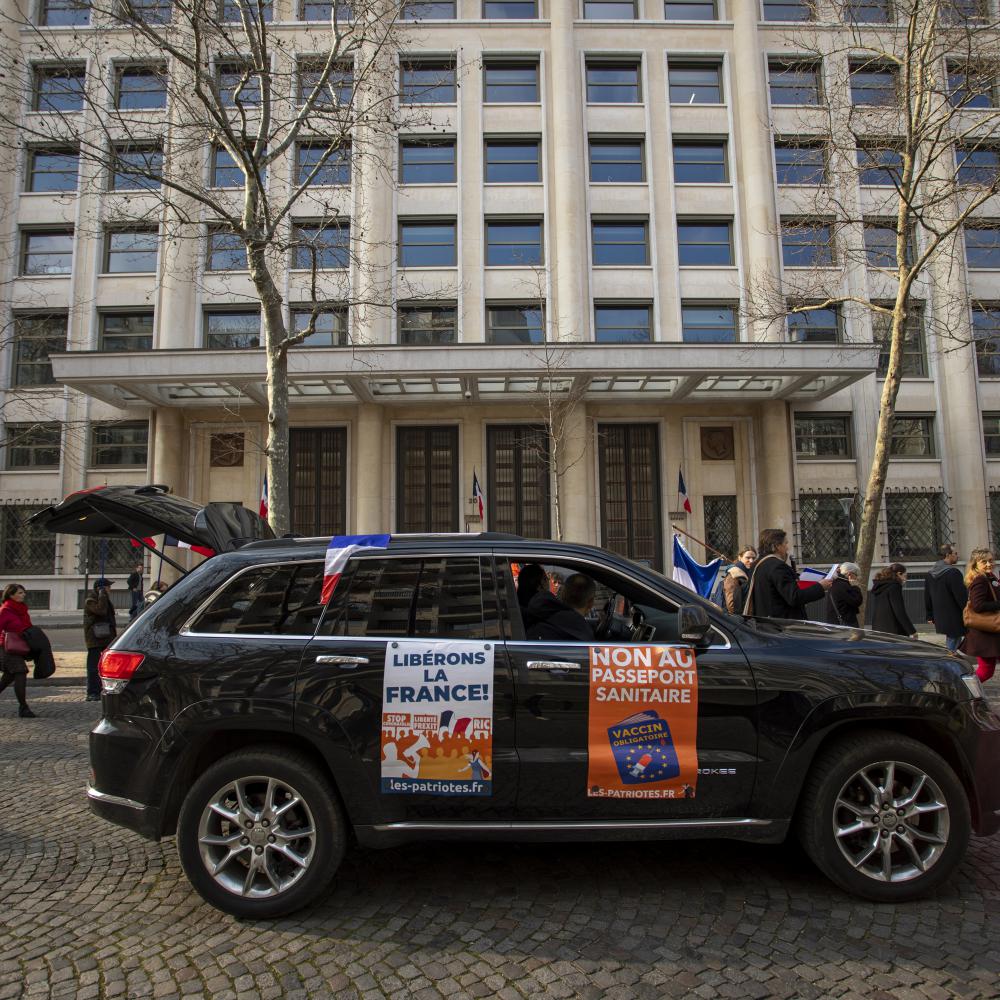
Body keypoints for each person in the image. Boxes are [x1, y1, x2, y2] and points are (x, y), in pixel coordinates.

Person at [745, 528, 831, 620]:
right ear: (777, 546)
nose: (787, 548)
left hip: (764, 621)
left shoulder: (757, 564)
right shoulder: (777, 566)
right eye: (785, 543)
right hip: (782, 623)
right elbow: (794, 597)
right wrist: (820, 587)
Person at [961, 548, 1000, 682]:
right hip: (985, 632)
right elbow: (978, 605)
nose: (989, 564)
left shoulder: (989, 577)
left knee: (986, 670)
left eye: (990, 560)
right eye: (984, 562)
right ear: (975, 564)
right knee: (986, 671)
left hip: (990, 632)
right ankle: (962, 688)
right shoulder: (980, 580)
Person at [526, 572, 597, 642]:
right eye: (555, 582)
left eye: (559, 582)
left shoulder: (538, 617)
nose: (557, 585)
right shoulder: (584, 635)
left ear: (563, 594)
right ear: (591, 603)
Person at [0, 584, 37, 718]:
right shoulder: (5, 610)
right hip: (6, 648)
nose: (23, 595)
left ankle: (23, 708)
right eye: (20, 593)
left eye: (23, 592)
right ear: (11, 595)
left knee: (8, 677)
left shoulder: (22, 609)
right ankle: (23, 707)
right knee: (21, 672)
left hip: (18, 647)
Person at [924, 544, 967, 653]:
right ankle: (948, 660)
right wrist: (968, 611)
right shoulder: (953, 573)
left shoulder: (930, 573)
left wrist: (929, 615)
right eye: (955, 553)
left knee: (952, 640)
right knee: (952, 644)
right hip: (955, 615)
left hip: (940, 615)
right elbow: (961, 597)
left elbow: (927, 596)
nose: (957, 556)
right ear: (948, 555)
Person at [84, 578, 117, 702]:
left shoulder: (104, 598)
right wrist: (102, 595)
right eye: (108, 587)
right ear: (101, 588)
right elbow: (101, 611)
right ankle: (92, 692)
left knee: (107, 665)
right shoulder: (91, 600)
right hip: (95, 639)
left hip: (106, 637)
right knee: (93, 667)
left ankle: (104, 689)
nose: (110, 589)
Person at [869, 564, 917, 638]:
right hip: (893, 628)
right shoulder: (895, 587)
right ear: (899, 574)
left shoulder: (880, 586)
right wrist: (912, 631)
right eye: (905, 574)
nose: (906, 577)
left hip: (878, 627)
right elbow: (899, 611)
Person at [823, 562, 864, 627]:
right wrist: (855, 586)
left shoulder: (836, 582)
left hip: (835, 622)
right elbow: (857, 601)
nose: (856, 578)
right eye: (856, 575)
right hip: (844, 623)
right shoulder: (843, 585)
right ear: (850, 574)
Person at [722, 545, 756, 614]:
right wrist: (739, 618)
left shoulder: (750, 573)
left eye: (753, 558)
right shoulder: (734, 574)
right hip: (738, 617)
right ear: (740, 557)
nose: (751, 561)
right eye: (748, 558)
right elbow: (732, 605)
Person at [516, 563, 549, 628]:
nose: (548, 581)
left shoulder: (518, 606)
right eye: (546, 579)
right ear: (540, 584)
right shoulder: (544, 609)